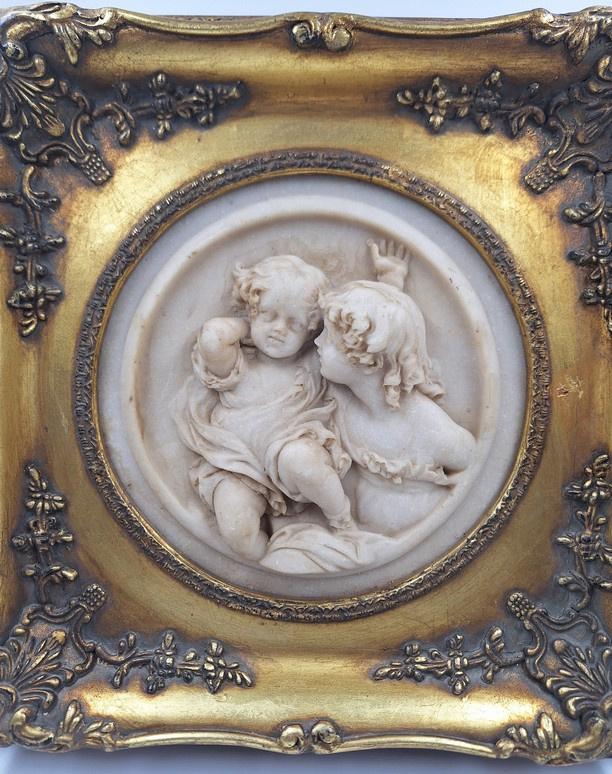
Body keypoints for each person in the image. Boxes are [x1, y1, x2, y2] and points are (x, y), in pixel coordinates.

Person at [173, 254, 351, 561]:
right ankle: (271, 568)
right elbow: (213, 338)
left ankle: (343, 521)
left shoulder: (311, 365)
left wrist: (391, 282)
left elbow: (357, 341)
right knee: (237, 533)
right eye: (269, 315)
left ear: (310, 331)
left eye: (294, 324)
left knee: (301, 459)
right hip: (237, 467)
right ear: (253, 311)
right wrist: (248, 326)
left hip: (290, 460)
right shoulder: (237, 365)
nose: (279, 329)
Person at [314, 241, 475, 536]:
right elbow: (384, 329)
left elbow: (474, 465)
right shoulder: (343, 403)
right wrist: (389, 282)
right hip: (366, 535)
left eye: (328, 339)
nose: (317, 342)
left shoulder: (429, 427)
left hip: (426, 538)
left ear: (367, 360)